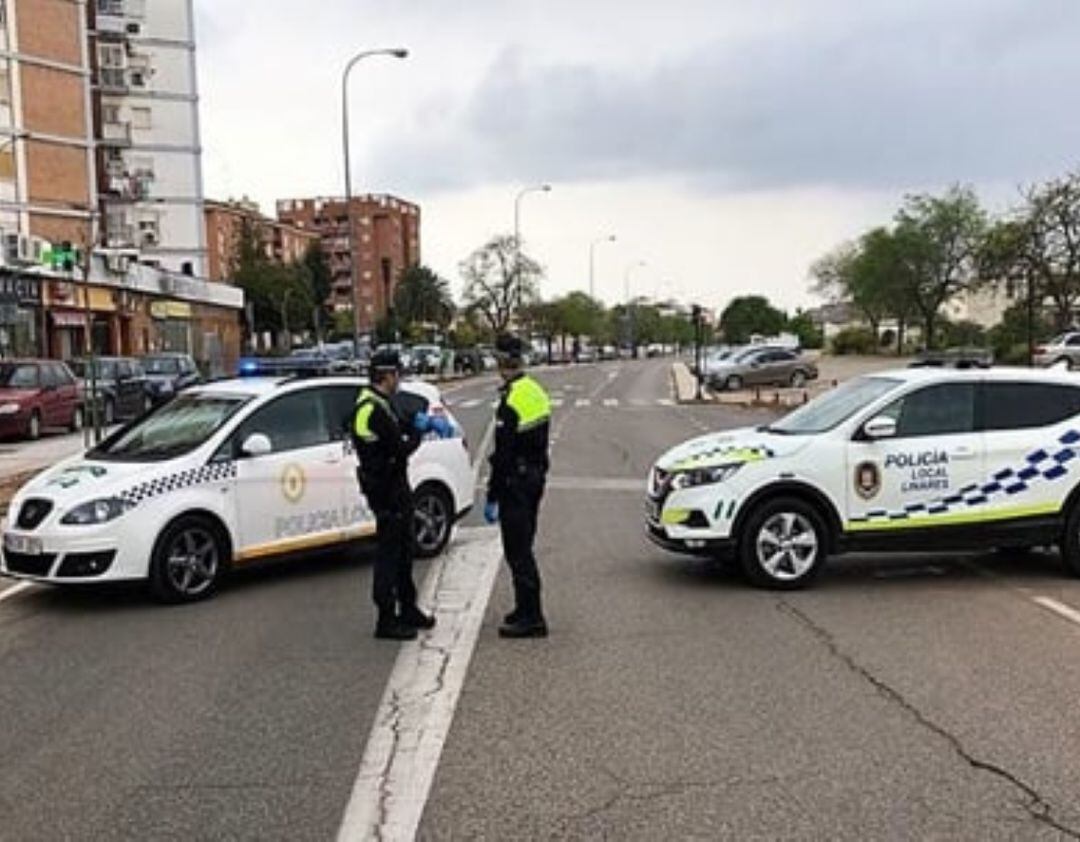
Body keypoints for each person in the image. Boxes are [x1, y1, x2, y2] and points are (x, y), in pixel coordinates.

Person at [353, 347, 452, 640]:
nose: (400, 380)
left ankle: (408, 609)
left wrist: (420, 421)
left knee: (405, 551)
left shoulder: (381, 403)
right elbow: (401, 449)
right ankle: (386, 619)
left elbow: (400, 424)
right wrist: (421, 433)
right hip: (385, 490)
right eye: (397, 374)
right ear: (387, 375)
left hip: (395, 487)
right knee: (389, 555)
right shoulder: (371, 410)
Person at [484, 334, 551, 638]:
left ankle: (532, 617)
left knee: (518, 550)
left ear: (501, 363)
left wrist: (492, 494)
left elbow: (504, 454)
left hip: (516, 483)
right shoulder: (534, 390)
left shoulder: (510, 400)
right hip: (535, 478)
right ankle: (524, 607)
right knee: (525, 544)